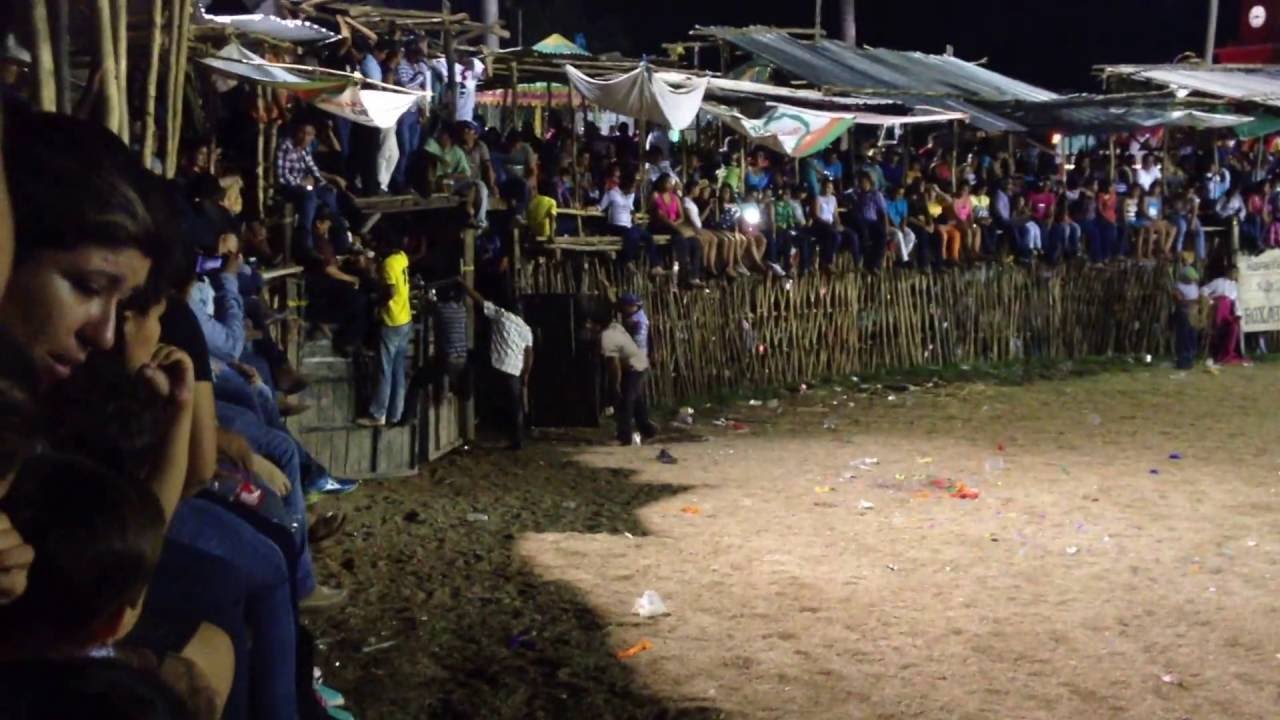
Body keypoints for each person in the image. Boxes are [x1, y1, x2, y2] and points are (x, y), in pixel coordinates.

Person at [463, 284, 532, 450]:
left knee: (475, 375)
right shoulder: (526, 329)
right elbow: (529, 354)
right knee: (515, 407)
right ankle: (517, 440)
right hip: (515, 369)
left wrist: (465, 286)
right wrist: (526, 374)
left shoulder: (502, 316)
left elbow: (480, 301)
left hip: (497, 366)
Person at [358, 227, 414, 428]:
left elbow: (389, 291)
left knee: (384, 369)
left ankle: (378, 413)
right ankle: (395, 413)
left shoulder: (389, 263)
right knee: (398, 369)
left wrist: (377, 305)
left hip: (392, 319)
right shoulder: (402, 257)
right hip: (405, 319)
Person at [275, 121, 351, 256]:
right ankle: (306, 244)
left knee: (329, 193)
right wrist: (302, 183)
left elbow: (314, 170)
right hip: (290, 187)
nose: (305, 137)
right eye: (302, 133)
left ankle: (342, 241)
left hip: (307, 185)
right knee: (309, 197)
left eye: (309, 134)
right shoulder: (286, 145)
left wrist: (321, 183)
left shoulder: (306, 148)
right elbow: (282, 176)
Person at [590, 308, 656, 446]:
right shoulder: (615, 327)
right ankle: (648, 430)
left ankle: (624, 437)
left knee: (625, 400)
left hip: (634, 366)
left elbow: (614, 365)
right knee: (636, 399)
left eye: (590, 324)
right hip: (637, 363)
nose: (588, 327)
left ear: (597, 324)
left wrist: (615, 385)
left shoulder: (607, 337)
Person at [648, 173, 707, 286]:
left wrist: (676, 224)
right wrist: (675, 226)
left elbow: (681, 216)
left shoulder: (675, 197)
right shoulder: (656, 195)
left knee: (696, 243)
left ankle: (694, 276)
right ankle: (684, 274)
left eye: (671, 182)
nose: (671, 184)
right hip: (660, 226)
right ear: (661, 183)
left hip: (675, 226)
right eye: (668, 182)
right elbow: (659, 215)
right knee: (681, 241)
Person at [813, 179, 857, 272]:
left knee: (852, 234)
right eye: (825, 187)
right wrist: (829, 224)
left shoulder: (833, 199)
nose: (827, 189)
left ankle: (856, 262)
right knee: (836, 236)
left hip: (832, 223)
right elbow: (816, 215)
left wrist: (838, 223)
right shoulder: (818, 198)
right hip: (822, 224)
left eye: (829, 187)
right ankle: (828, 262)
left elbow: (835, 215)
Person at [459, 121, 497, 229]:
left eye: (468, 130)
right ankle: (480, 220)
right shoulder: (458, 147)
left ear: (475, 134)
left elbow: (488, 166)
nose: (465, 131)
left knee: (481, 187)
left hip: (476, 183)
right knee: (480, 186)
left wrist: (493, 185)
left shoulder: (481, 146)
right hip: (462, 182)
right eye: (464, 129)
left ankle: (477, 219)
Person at [1171, 265, 1203, 370]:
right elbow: (1180, 301)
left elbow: (1197, 298)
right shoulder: (1178, 286)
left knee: (1192, 336)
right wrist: (1194, 302)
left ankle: (1190, 358)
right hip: (1183, 314)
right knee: (1183, 337)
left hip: (1193, 314)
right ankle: (1183, 360)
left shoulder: (1194, 285)